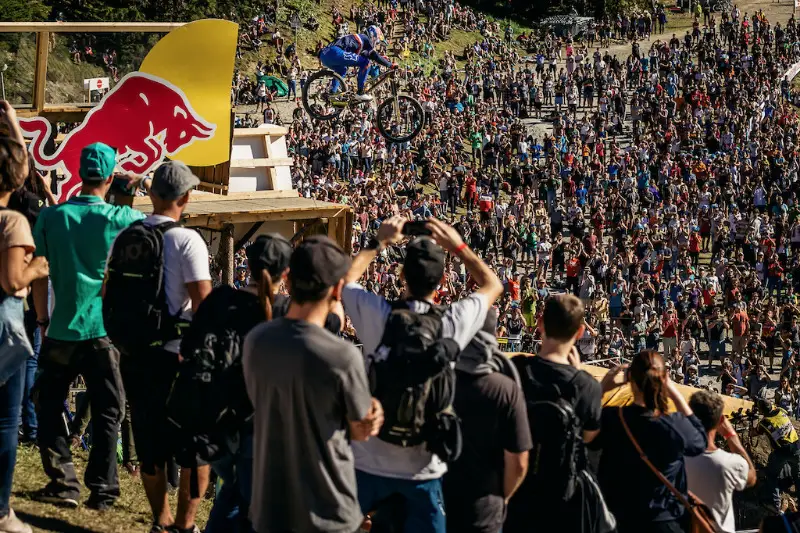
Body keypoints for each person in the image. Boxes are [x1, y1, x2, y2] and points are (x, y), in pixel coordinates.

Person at [342, 215, 503, 533]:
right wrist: (457, 245)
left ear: (401, 275)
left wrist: (379, 241)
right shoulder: (452, 322)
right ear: (442, 281)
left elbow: (346, 281)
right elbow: (493, 285)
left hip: (370, 460)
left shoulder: (379, 316)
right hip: (424, 467)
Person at [31, 142, 150, 509]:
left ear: (80, 174)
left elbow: (38, 275)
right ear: (110, 177)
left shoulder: (51, 218)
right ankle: (103, 489)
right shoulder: (124, 220)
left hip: (62, 327)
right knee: (109, 410)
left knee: (46, 404)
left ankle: (63, 479)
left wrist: (42, 320)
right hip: (104, 332)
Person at [243, 235, 384, 533]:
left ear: (289, 282)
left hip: (270, 507)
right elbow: (360, 430)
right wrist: (374, 414)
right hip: (327, 508)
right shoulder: (341, 356)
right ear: (337, 290)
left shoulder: (257, 340)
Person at [111, 161, 212, 533]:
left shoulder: (126, 236)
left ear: (151, 195)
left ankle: (161, 520)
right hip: (178, 355)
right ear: (185, 197)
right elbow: (204, 304)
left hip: (136, 353)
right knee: (193, 449)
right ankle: (186, 525)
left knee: (150, 443)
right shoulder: (187, 241)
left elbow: (109, 292)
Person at [506, 294, 606, 533]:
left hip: (517, 492)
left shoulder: (515, 370)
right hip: (561, 495)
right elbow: (589, 436)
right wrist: (579, 374)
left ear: (540, 323)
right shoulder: (586, 386)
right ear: (580, 332)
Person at [0, 101, 50, 533]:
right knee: (5, 415)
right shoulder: (16, 221)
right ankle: (1, 509)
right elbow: (12, 279)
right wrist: (37, 268)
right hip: (8, 321)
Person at [592, 350, 707, 533]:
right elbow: (700, 440)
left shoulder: (612, 418)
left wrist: (601, 390)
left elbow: (586, 434)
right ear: (664, 378)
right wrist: (673, 391)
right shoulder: (674, 424)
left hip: (619, 520)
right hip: (664, 520)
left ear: (629, 377)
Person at [443, 308, 531, 533]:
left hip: (440, 499)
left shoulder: (441, 382)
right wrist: (504, 497)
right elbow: (519, 462)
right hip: (485, 506)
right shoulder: (506, 389)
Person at [685, 390, 756, 533]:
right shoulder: (730, 463)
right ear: (720, 421)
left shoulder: (675, 459)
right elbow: (752, 476)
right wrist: (731, 436)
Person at [319, 25, 393, 101]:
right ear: (373, 36)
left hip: (325, 55)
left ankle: (332, 93)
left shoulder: (359, 40)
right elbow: (374, 55)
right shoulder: (365, 38)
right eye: (376, 41)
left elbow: (369, 55)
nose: (376, 45)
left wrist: (384, 60)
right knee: (366, 63)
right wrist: (390, 65)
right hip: (335, 52)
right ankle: (360, 93)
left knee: (342, 71)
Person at [755, 396, 800, 513]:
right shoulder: (781, 410)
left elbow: (755, 433)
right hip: (796, 446)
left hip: (781, 451)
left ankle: (775, 504)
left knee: (772, 475)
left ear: (761, 411)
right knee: (797, 474)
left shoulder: (764, 422)